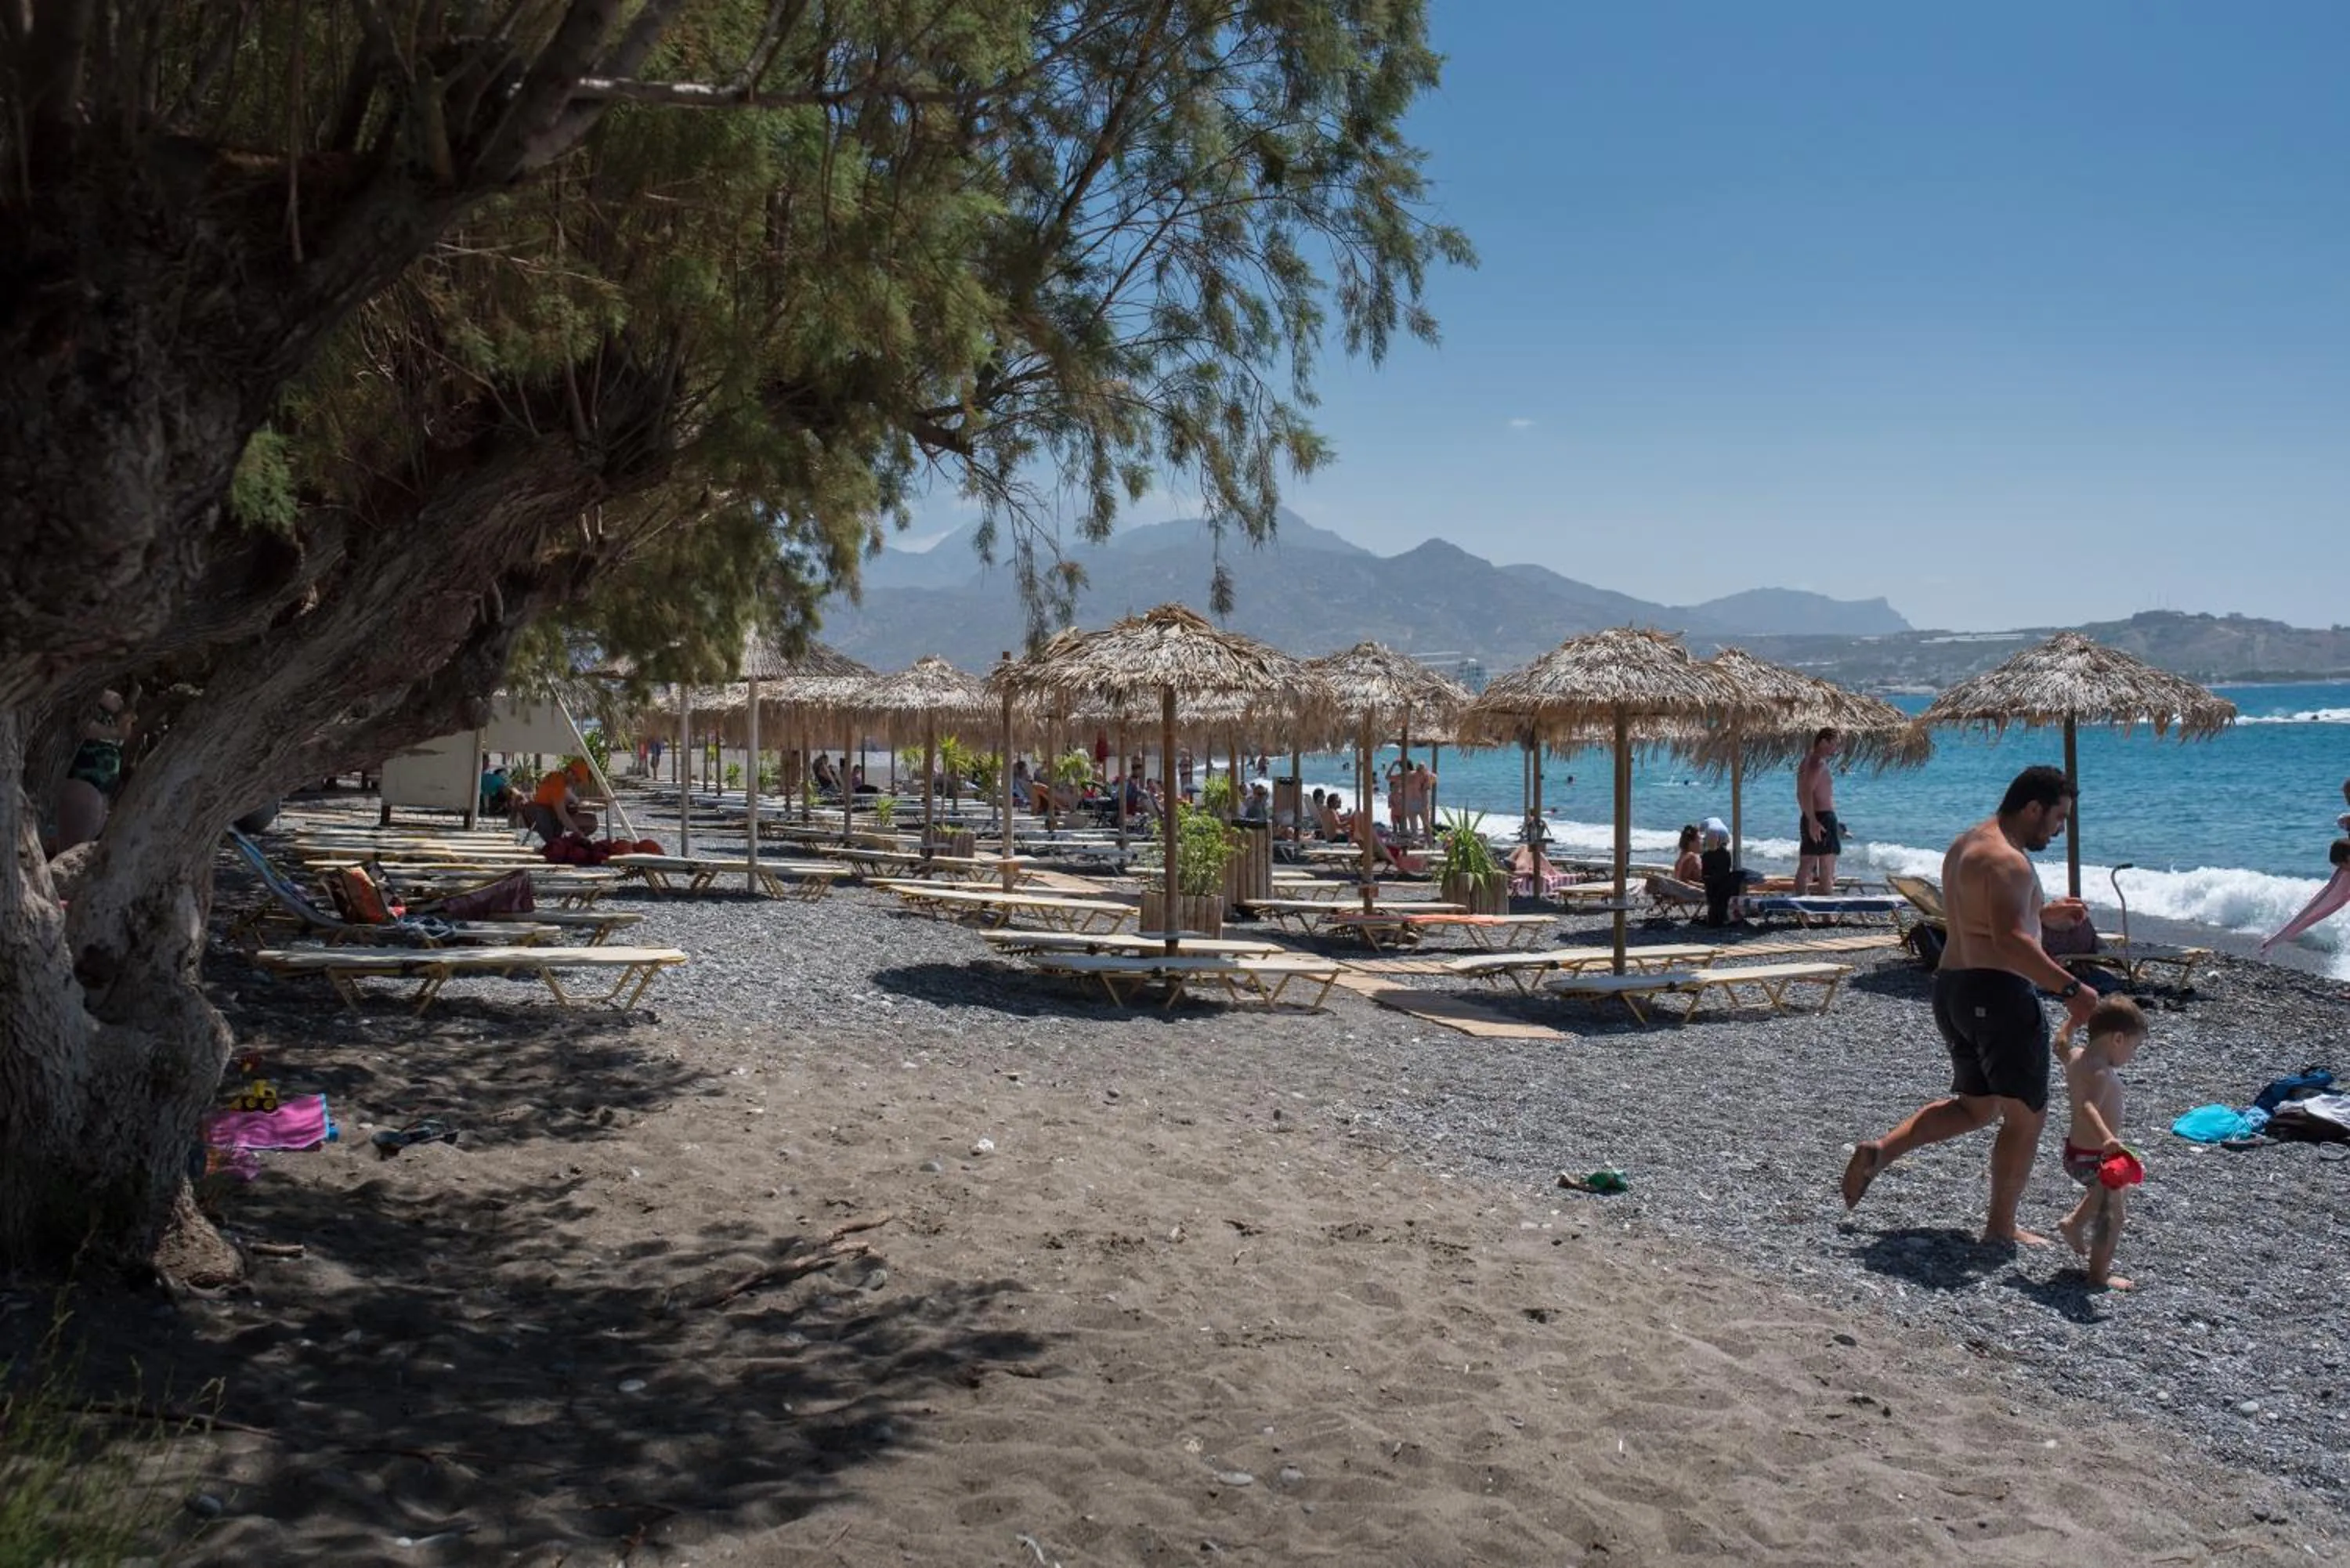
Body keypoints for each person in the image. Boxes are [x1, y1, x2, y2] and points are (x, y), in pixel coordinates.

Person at [1842, 764, 2099, 1246]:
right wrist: (2073, 991)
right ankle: (2001, 1229)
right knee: (2027, 1115)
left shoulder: (1966, 845)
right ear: (2033, 808)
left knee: (1975, 1108)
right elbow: (2009, 943)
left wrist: (2043, 915)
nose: (2060, 829)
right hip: (1998, 994)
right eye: (2058, 817)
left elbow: (1980, 923)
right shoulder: (2009, 861)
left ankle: (1881, 1151)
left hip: (1954, 988)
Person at [2055, 995, 2148, 1291]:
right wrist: (2107, 1137)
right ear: (2118, 1038)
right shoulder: (2101, 1072)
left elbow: (2059, 1045)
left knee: (2106, 1191)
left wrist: (2073, 1021)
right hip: (2094, 1157)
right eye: (2134, 1047)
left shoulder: (2077, 1056)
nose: (2132, 1055)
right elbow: (2088, 1107)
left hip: (2075, 1153)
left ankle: (2073, 1224)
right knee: (2113, 1214)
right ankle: (2098, 1275)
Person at [52, 688, 136, 854]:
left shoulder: (110, 713)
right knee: (71, 850)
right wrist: (115, 731)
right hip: (82, 782)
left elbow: (123, 732)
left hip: (102, 791)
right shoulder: (83, 700)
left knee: (83, 848)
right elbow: (81, 726)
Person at [1796, 727, 1843, 895]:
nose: (1836, 749)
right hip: (1822, 818)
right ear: (1823, 741)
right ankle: (1826, 914)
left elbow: (1800, 794)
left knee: (1806, 864)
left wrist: (1808, 817)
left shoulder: (1805, 761)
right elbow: (1806, 791)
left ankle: (1802, 912)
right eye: (1834, 744)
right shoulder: (1818, 762)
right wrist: (1814, 821)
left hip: (1811, 816)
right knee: (1826, 867)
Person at [1696, 816, 1759, 927]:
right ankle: (1736, 914)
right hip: (1720, 882)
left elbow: (1700, 831)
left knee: (1736, 877)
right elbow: (1725, 868)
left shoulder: (1706, 855)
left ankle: (1733, 914)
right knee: (1740, 877)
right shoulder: (1725, 854)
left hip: (1712, 886)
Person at [530, 757, 599, 843]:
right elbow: (562, 815)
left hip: (548, 813)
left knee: (592, 821)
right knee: (591, 823)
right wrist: (579, 834)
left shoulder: (558, 779)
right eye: (577, 780)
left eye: (579, 782)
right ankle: (573, 842)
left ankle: (573, 842)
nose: (577, 784)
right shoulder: (557, 783)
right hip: (547, 817)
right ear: (570, 773)